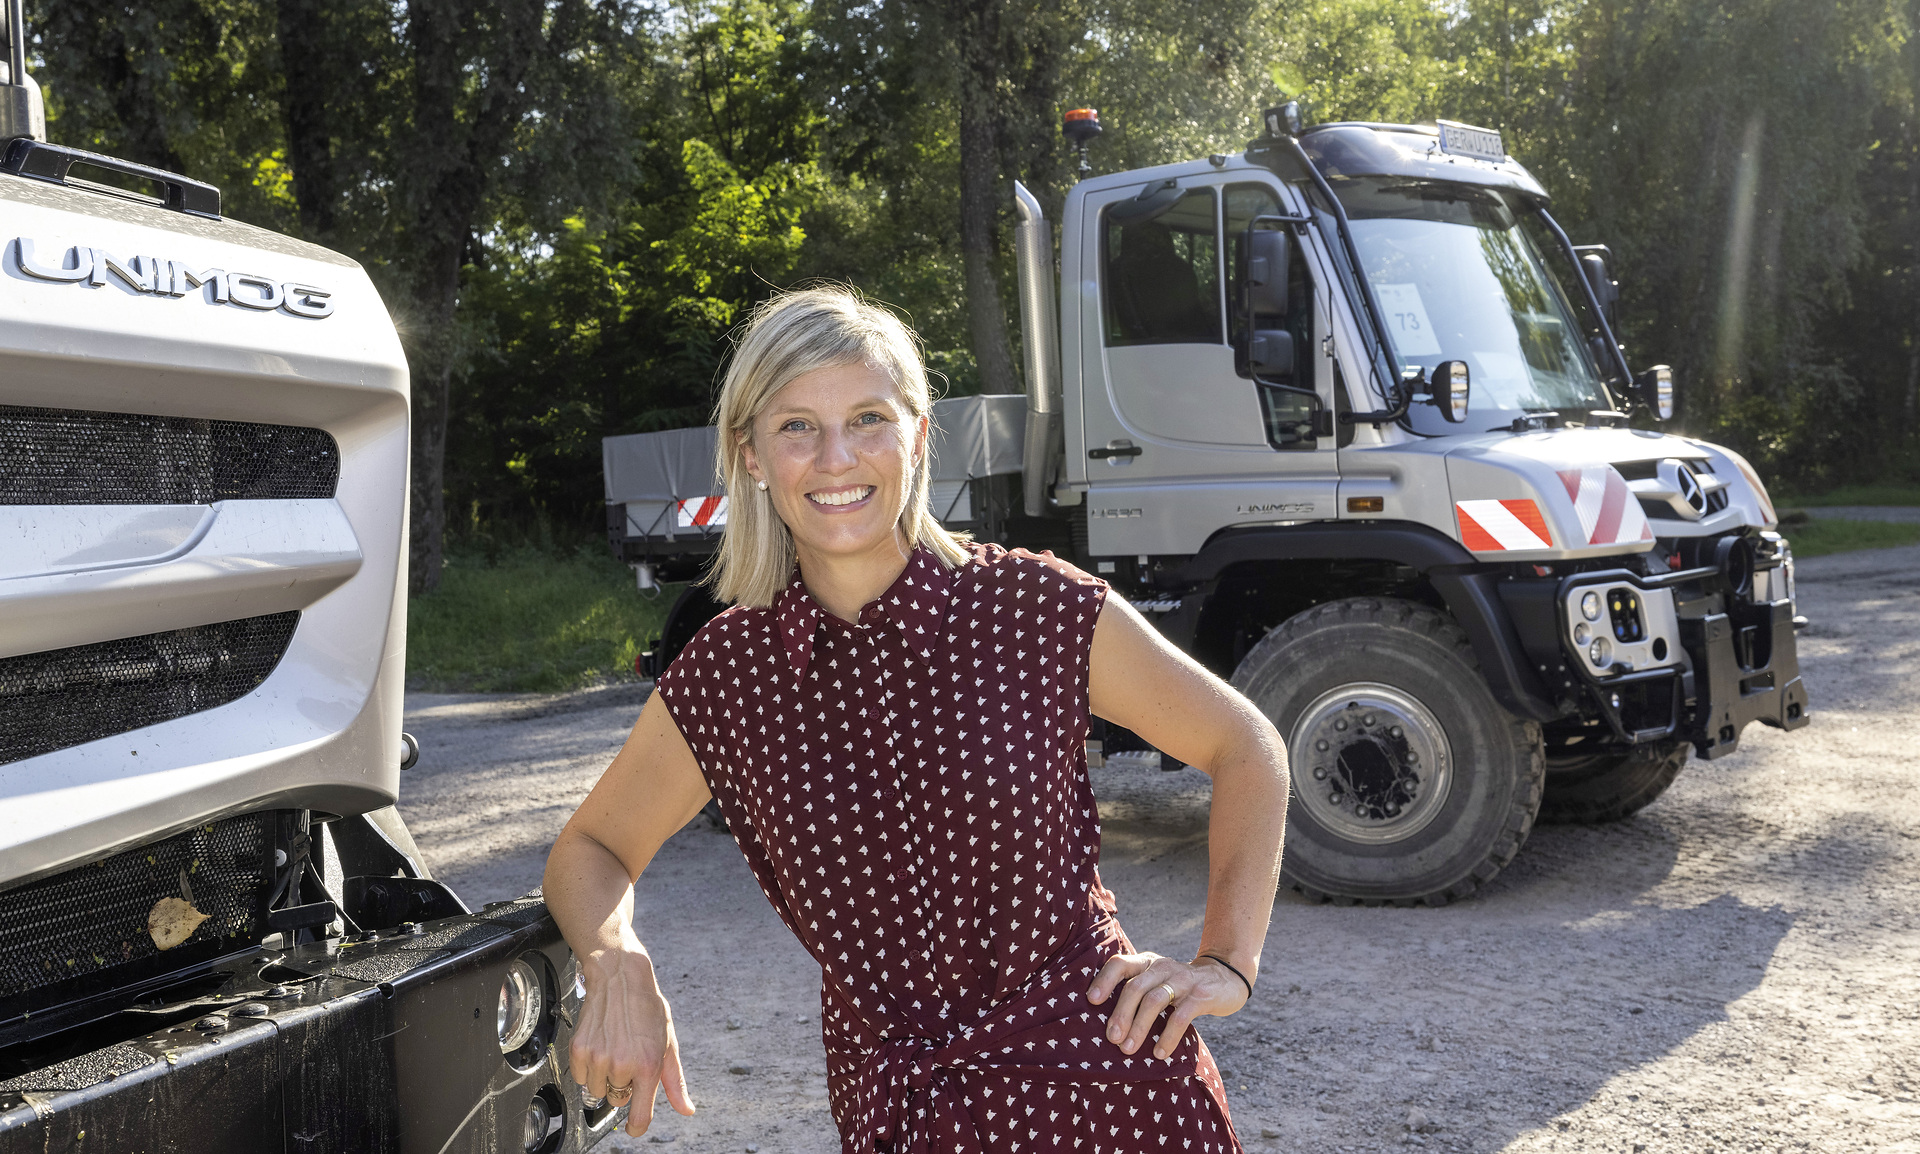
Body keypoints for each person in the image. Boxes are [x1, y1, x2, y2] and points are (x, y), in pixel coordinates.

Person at [543, 285, 1290, 1152]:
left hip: (1108, 1092)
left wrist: (1224, 963)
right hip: (903, 1116)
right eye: (796, 427)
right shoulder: (729, 675)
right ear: (748, 455)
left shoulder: (1035, 608)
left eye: (868, 418)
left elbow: (1245, 745)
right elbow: (589, 851)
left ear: (918, 435)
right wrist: (616, 963)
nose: (835, 457)